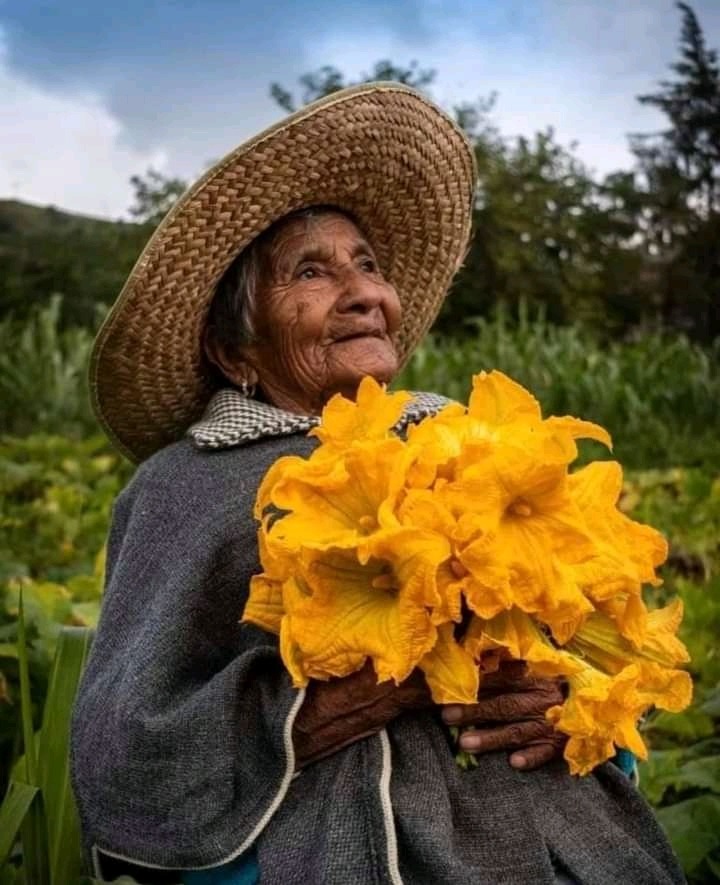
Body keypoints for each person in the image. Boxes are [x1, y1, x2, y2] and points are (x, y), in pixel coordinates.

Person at [71, 83, 683, 885]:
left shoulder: (464, 436)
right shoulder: (183, 487)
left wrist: (566, 698)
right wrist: (344, 695)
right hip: (315, 845)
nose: (364, 291)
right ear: (233, 349)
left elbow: (585, 633)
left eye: (367, 265)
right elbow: (126, 743)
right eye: (311, 273)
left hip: (544, 824)